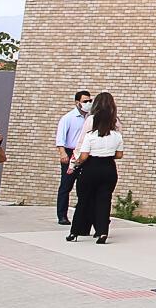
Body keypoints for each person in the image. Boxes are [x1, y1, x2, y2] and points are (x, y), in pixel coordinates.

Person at [67, 92, 121, 243]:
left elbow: (81, 144)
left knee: (84, 199)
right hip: (109, 166)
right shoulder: (116, 122)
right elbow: (119, 153)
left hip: (91, 165)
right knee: (104, 200)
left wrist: (74, 162)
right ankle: (102, 231)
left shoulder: (90, 121)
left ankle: (76, 230)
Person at [55, 90, 91, 225]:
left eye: (89, 101)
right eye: (85, 101)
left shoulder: (90, 118)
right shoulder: (68, 118)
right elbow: (60, 138)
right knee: (66, 184)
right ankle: (62, 215)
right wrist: (63, 153)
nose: (88, 104)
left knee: (84, 184)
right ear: (77, 103)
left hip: (85, 152)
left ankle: (82, 213)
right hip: (71, 152)